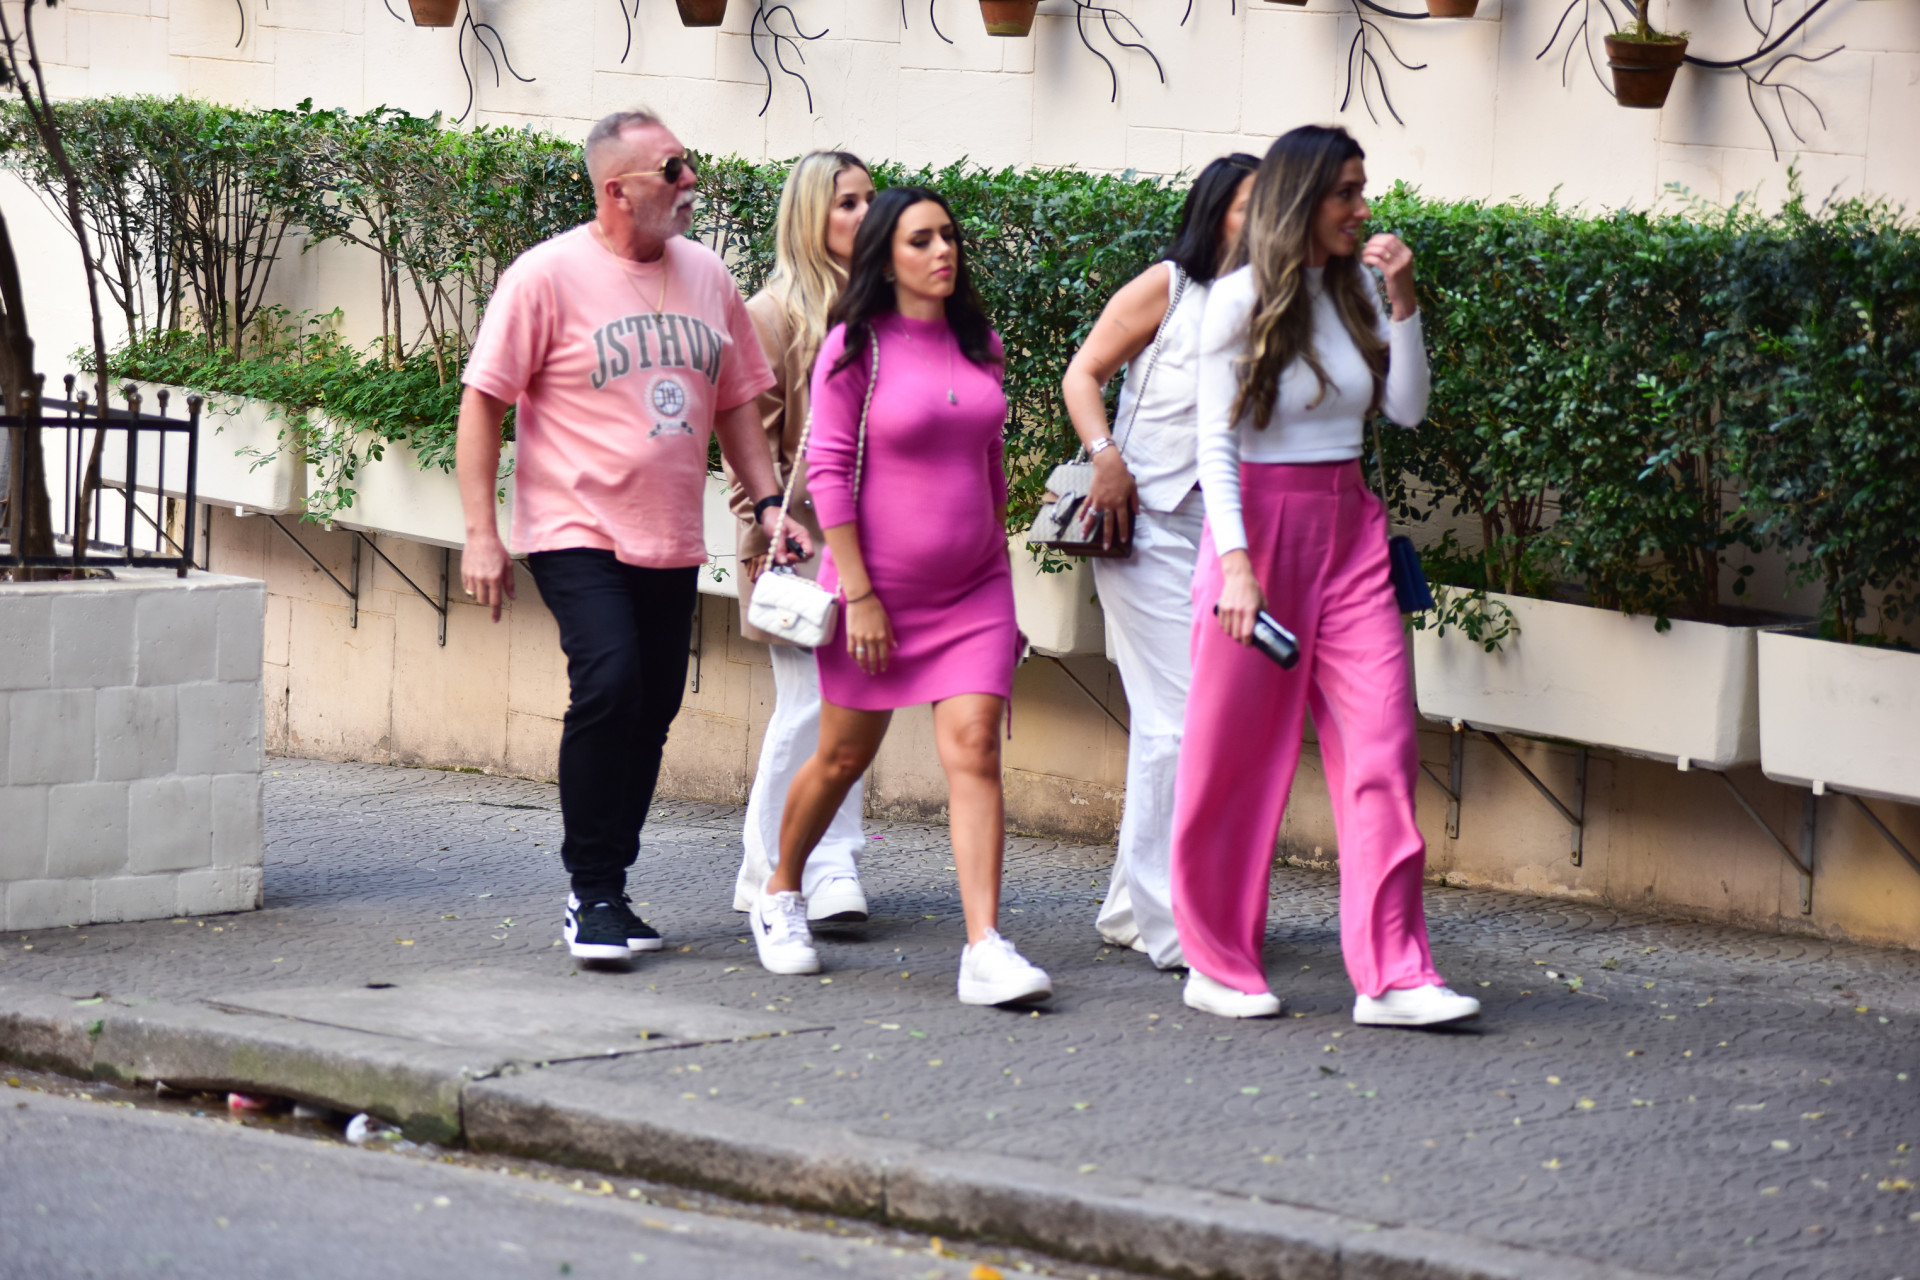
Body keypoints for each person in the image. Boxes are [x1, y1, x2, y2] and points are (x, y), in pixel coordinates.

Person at [456, 109, 808, 962]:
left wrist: (768, 506)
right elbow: (484, 402)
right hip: (573, 527)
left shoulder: (706, 276)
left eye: (690, 166)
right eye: (674, 170)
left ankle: (613, 880)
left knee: (652, 707)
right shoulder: (545, 277)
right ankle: (593, 891)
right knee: (610, 682)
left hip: (670, 535)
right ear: (617, 190)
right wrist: (481, 533)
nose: (692, 183)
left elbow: (736, 406)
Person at [1172, 125, 1480, 1027]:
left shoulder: (1355, 295)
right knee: (1234, 763)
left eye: (1363, 188)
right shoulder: (1233, 302)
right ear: (1304, 200)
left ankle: (1393, 974)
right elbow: (1214, 445)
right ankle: (1217, 960)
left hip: (1348, 535)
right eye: (1347, 191)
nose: (1363, 207)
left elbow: (1408, 411)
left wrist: (1404, 295)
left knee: (1383, 743)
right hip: (1255, 541)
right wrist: (1235, 566)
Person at [747, 186, 1052, 1008]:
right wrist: (865, 595)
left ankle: (985, 945)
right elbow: (827, 471)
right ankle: (780, 892)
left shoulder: (977, 341)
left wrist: (999, 570)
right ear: (887, 256)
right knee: (844, 756)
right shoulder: (855, 344)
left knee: (976, 748)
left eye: (949, 237)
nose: (943, 251)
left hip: (976, 589)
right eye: (922, 240)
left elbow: (989, 464)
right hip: (878, 592)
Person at [1059, 154, 1258, 972]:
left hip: (1222, 540)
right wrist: (1104, 454)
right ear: (1215, 212)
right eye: (1250, 207)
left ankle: (1130, 909)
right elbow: (1083, 372)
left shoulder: (1273, 303)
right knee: (1179, 724)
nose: (1263, 220)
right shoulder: (1170, 284)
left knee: (1175, 723)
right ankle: (1169, 919)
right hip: (1139, 527)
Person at [727, 151, 877, 926]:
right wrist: (763, 527)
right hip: (800, 544)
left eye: (869, 200)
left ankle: (832, 864)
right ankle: (767, 869)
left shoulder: (888, 306)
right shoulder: (774, 312)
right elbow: (747, 445)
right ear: (810, 216)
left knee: (853, 707)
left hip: (877, 540)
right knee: (807, 707)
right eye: (846, 203)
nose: (864, 214)